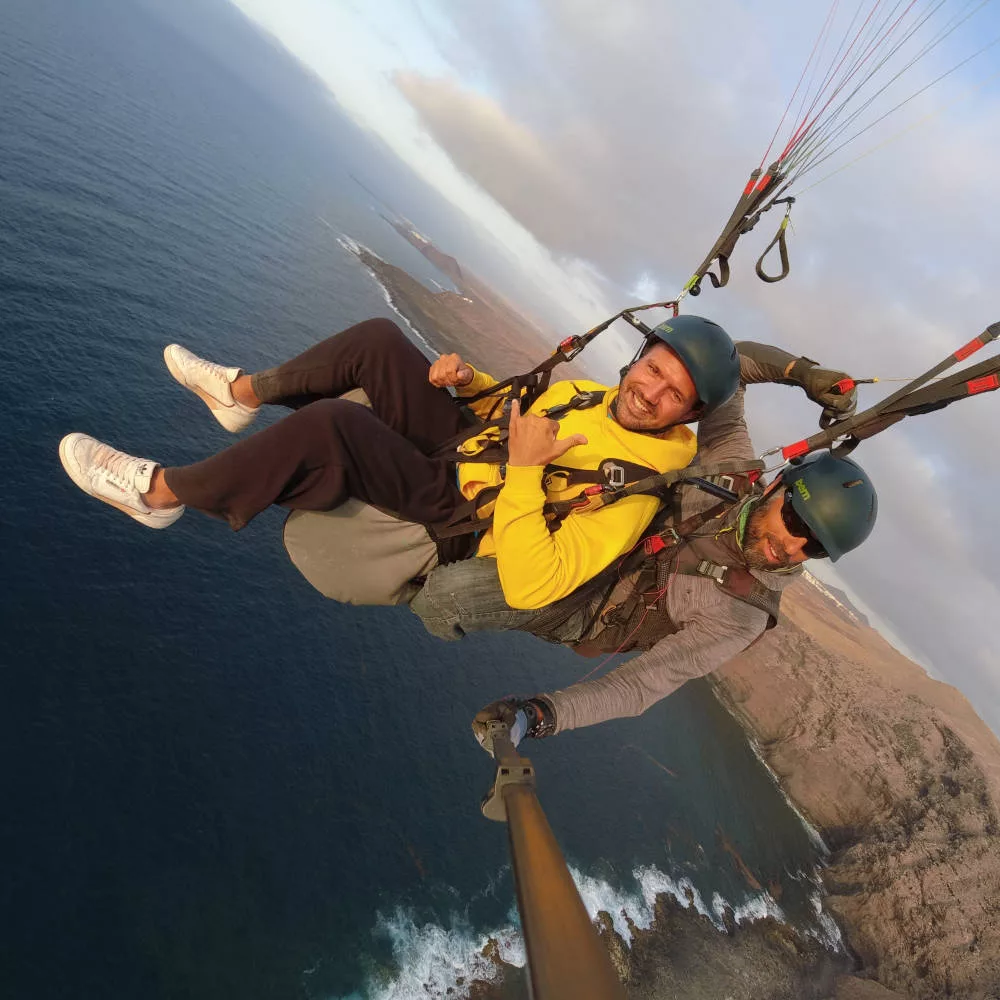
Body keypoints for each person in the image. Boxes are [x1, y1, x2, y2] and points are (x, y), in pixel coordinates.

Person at [58, 315, 742, 608]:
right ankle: (238, 395)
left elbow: (536, 586)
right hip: (471, 451)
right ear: (638, 359)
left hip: (466, 514)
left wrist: (527, 472)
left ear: (688, 415)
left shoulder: (639, 487)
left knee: (336, 425)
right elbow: (505, 414)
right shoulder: (590, 394)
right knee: (381, 342)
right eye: (654, 368)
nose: (651, 391)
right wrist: (468, 382)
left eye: (674, 393)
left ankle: (161, 495)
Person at [405, 343, 877, 750]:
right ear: (775, 487)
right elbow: (727, 361)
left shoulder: (741, 612)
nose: (792, 545)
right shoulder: (730, 469)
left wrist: (537, 715)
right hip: (593, 532)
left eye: (815, 547)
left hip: (583, 608)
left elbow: (639, 687)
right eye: (795, 520)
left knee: (445, 596)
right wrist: (803, 373)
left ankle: (415, 576)